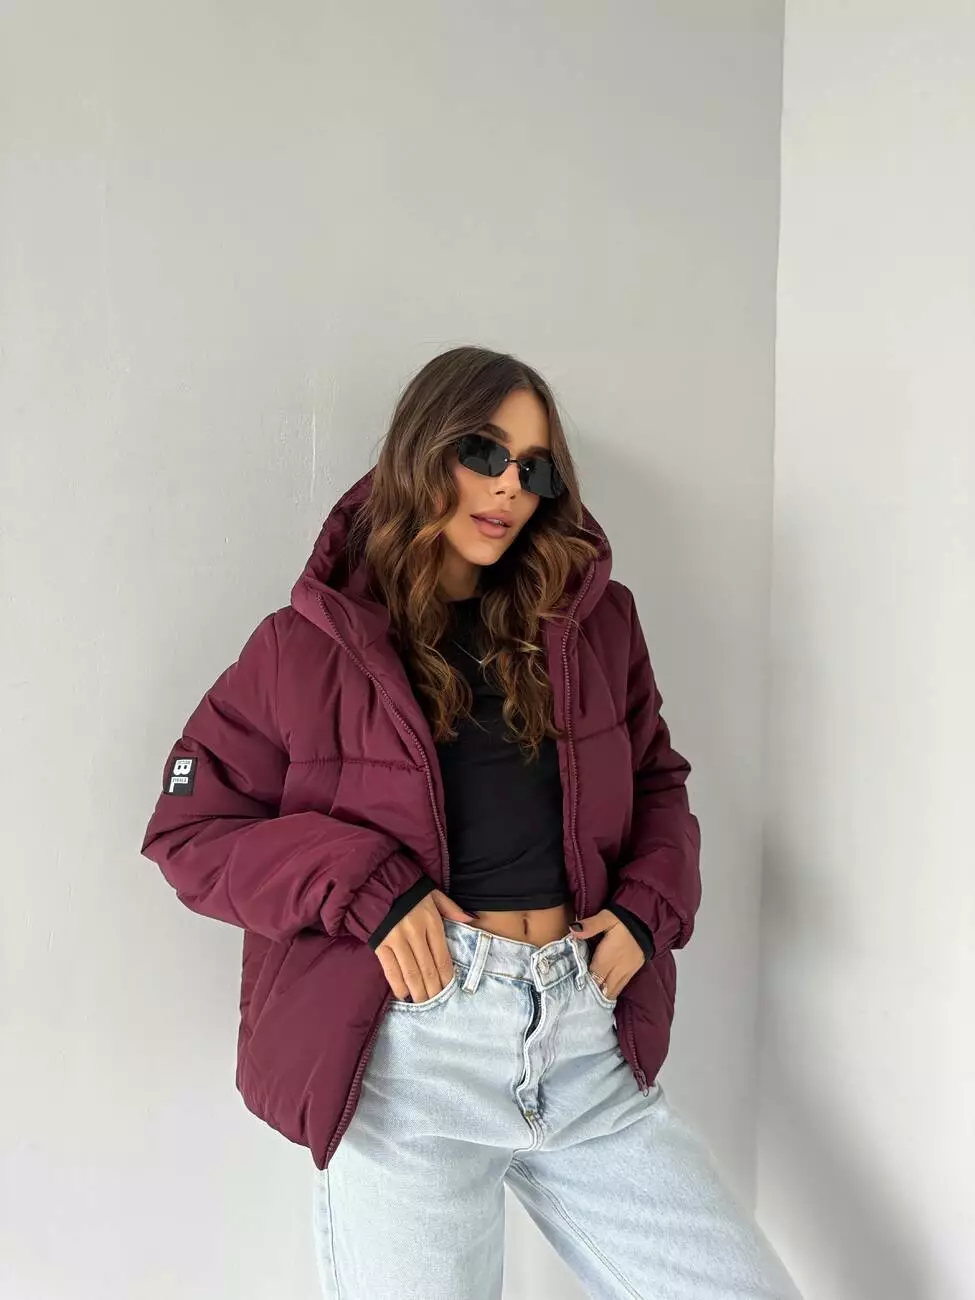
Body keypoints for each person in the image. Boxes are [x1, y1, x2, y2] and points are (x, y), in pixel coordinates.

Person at [141, 346, 800, 1299]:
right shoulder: (306, 646)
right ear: (425, 447)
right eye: (484, 453)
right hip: (413, 1059)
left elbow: (658, 780)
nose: (508, 488)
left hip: (583, 1038)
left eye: (534, 468)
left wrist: (646, 907)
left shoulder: (596, 624)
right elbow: (188, 828)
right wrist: (370, 888)